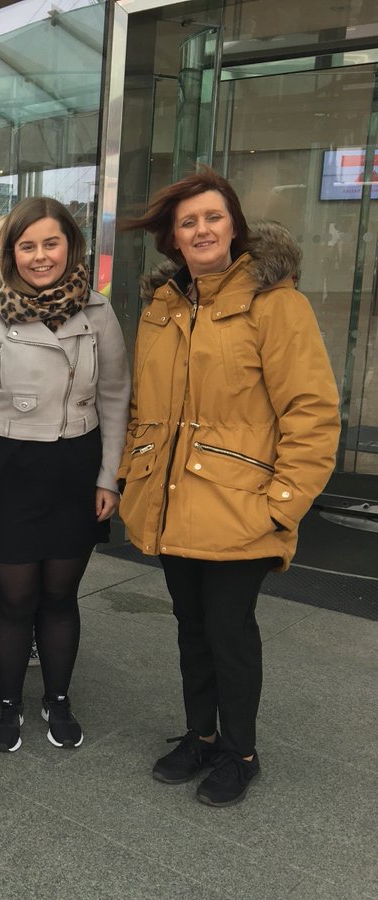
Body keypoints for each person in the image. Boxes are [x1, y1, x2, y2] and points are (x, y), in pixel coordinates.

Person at [118, 169, 339, 807]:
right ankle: (200, 734)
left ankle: (240, 751)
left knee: (229, 631)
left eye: (213, 217)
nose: (202, 230)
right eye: (188, 222)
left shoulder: (277, 304)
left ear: (234, 226)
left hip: (243, 508)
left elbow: (312, 414)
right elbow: (145, 406)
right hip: (172, 501)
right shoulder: (163, 308)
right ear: (174, 240)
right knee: (192, 628)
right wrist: (137, 472)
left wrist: (285, 504)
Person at [0, 196, 130, 754]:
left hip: (74, 467)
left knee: (60, 595)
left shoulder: (98, 313)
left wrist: (109, 476)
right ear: (10, 253)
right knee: (14, 599)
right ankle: (7, 702)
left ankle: (58, 697)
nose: (40, 256)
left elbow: (117, 397)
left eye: (52, 243)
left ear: (70, 247)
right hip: (6, 470)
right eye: (28, 245)